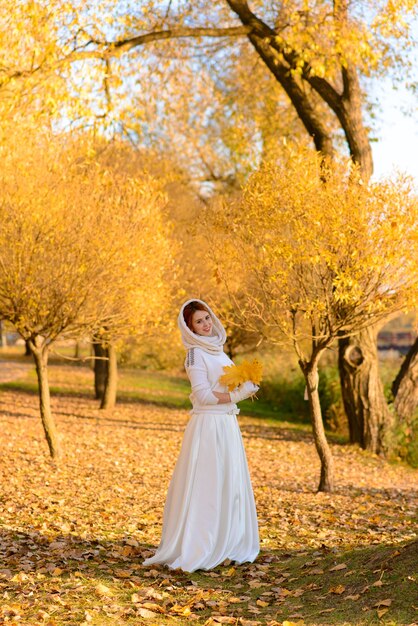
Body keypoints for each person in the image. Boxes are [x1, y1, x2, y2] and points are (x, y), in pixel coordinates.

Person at [143, 298, 260, 572]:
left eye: (207, 318)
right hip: (209, 426)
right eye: (199, 322)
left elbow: (225, 381)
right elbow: (203, 395)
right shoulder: (195, 353)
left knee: (228, 483)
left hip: (227, 425)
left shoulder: (218, 350)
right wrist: (236, 395)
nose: (206, 324)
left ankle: (229, 541)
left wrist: (246, 385)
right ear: (189, 328)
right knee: (207, 484)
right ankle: (202, 545)